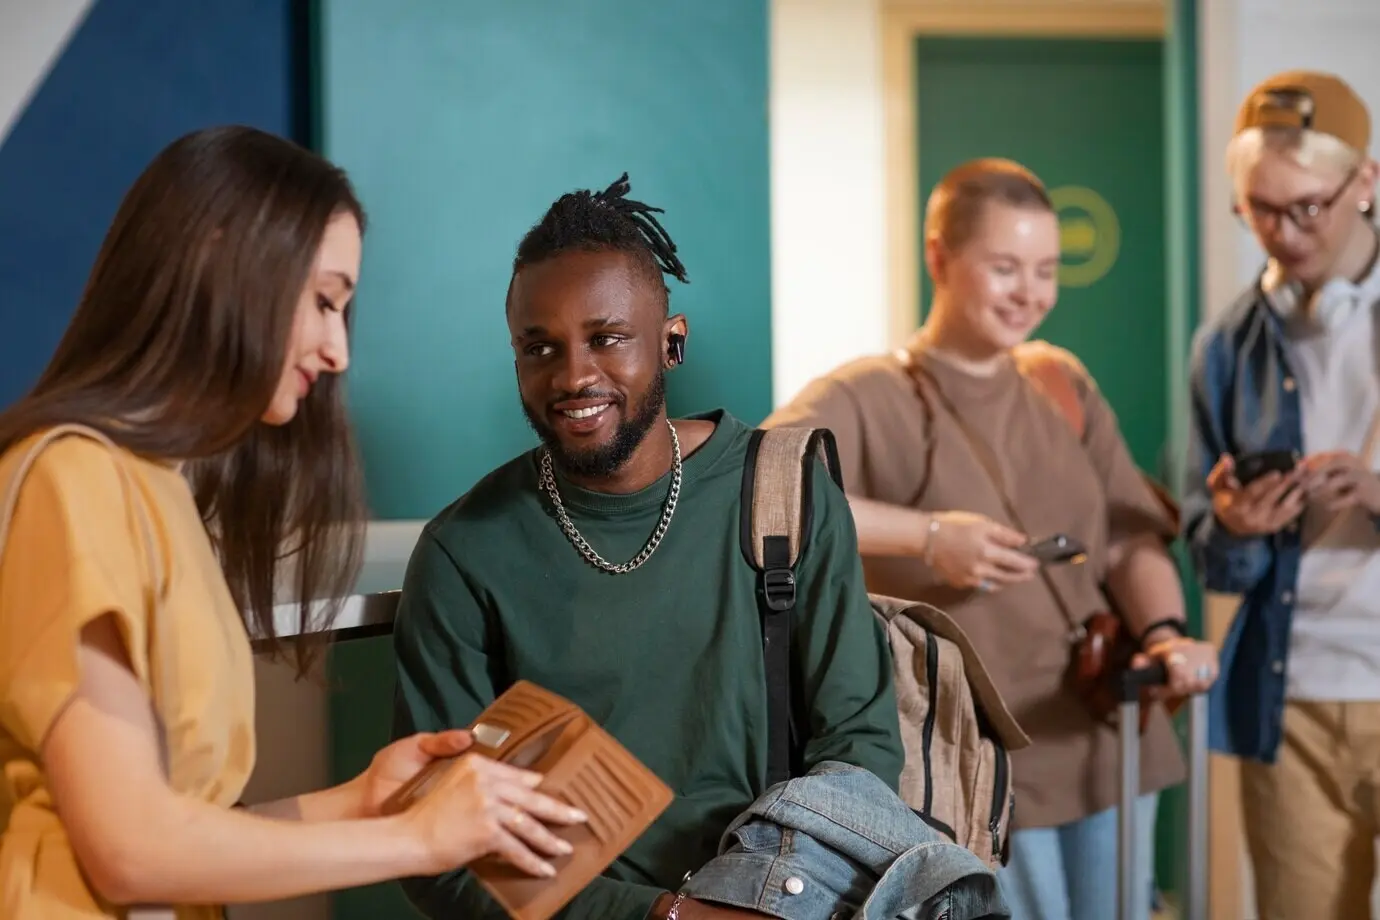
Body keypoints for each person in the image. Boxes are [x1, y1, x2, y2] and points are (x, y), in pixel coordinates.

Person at [0, 126, 584, 920]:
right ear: (219, 261)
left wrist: (366, 800)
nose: (338, 350)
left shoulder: (160, 492)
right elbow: (130, 851)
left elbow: (180, 831)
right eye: (322, 301)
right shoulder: (74, 479)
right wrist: (422, 840)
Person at [390, 173, 905, 920]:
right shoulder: (462, 554)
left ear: (672, 343)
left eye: (607, 338)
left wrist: (767, 903)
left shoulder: (785, 494)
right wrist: (667, 917)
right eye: (539, 348)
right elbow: (441, 849)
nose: (572, 376)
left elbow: (860, 748)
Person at [763, 158, 1218, 920]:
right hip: (979, 766)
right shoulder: (868, 393)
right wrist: (929, 536)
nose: (1030, 293)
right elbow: (771, 495)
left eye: (1046, 270)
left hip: (1109, 740)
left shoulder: (1059, 382)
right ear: (939, 256)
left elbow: (1127, 537)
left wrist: (1169, 634)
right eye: (1005, 267)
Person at [1184, 70, 1380, 920]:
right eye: (1260, 210)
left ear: (1365, 182)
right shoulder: (1226, 345)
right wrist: (1233, 526)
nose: (1285, 233)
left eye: (1308, 208)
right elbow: (1207, 542)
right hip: (1287, 693)